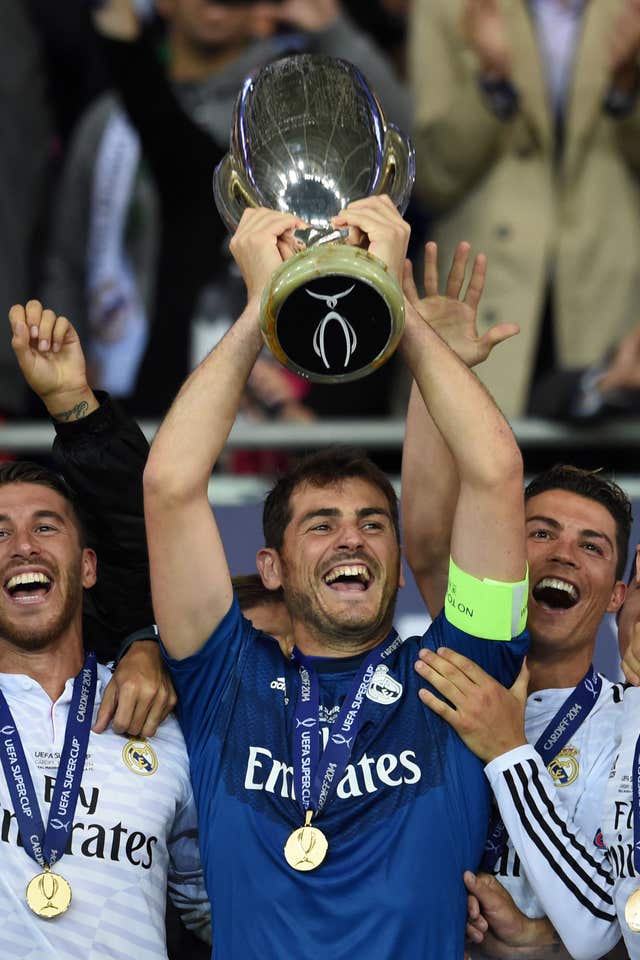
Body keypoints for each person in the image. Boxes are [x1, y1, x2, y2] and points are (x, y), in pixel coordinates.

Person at [143, 195, 529, 958]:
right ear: (272, 568)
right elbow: (168, 484)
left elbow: (495, 473)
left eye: (373, 523)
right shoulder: (224, 677)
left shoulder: (457, 675)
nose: (352, 537)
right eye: (321, 524)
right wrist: (261, 307)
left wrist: (400, 312)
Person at [401, 243, 631, 957]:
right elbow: (433, 541)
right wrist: (432, 363)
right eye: (541, 533)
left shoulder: (632, 731)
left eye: (592, 546)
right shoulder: (468, 658)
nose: (563, 553)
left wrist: (546, 946)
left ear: (618, 594)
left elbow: (621, 922)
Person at [44, 0, 410, 423]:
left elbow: (392, 151)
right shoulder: (108, 121)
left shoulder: (292, 108)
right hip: (141, 370)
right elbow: (67, 258)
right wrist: (68, 358)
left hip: (280, 375)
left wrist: (333, 29)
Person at [410, 0, 640, 418]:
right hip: (488, 287)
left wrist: (625, 89)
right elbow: (431, 177)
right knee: (482, 464)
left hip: (609, 294)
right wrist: (493, 83)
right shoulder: (447, 8)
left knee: (604, 478)